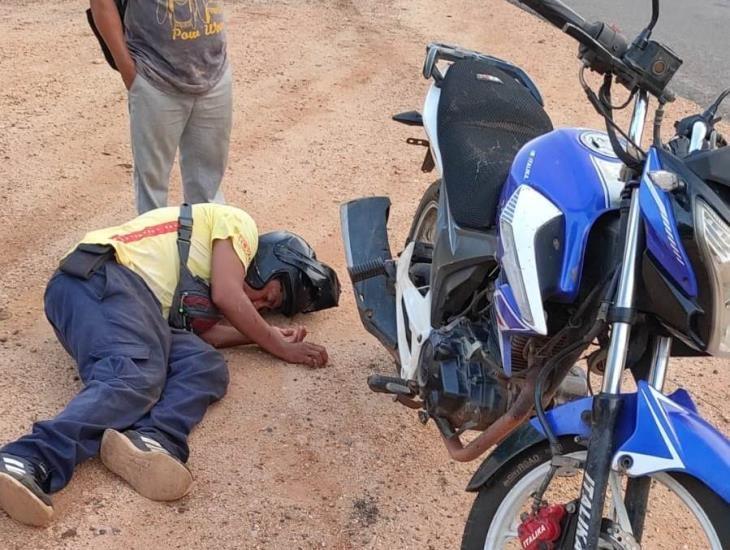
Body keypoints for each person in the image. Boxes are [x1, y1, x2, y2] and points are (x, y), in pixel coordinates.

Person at [0, 203, 340, 526]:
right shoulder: (239, 226)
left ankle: (150, 439)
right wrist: (275, 342)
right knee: (134, 375)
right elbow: (227, 294)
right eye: (273, 293)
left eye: (268, 308)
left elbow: (209, 337)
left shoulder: (198, 280)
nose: (263, 304)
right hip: (98, 278)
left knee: (204, 364)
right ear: (269, 261)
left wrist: (263, 334)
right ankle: (27, 458)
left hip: (132, 308)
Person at [90, 0, 232, 213]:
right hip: (155, 75)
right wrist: (129, 71)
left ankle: (203, 244)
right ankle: (153, 244)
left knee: (208, 194)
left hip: (213, 70)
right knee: (153, 198)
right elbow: (102, 4)